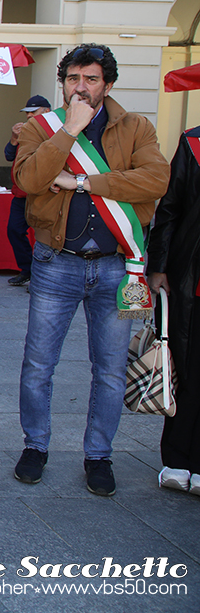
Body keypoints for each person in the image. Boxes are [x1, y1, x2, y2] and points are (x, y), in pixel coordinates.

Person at [12, 44, 169, 496]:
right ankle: (35, 446)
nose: (81, 87)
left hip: (119, 269)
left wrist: (83, 182)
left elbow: (155, 180)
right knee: (39, 364)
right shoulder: (40, 127)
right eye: (73, 78)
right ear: (62, 82)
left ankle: (99, 455)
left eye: (92, 79)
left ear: (108, 84)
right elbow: (29, 181)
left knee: (110, 369)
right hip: (55, 264)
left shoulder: (136, 127)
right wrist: (70, 132)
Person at [147, 126, 200, 494]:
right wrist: (159, 265)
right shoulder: (195, 142)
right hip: (192, 277)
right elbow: (170, 206)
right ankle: (179, 458)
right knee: (187, 366)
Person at [4, 95, 52, 287]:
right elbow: (9, 155)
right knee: (14, 230)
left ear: (46, 112)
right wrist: (14, 138)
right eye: (27, 113)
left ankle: (42, 278)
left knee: (45, 236)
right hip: (21, 193)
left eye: (33, 112)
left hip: (43, 193)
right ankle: (27, 269)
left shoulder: (54, 131)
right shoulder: (26, 131)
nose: (29, 116)